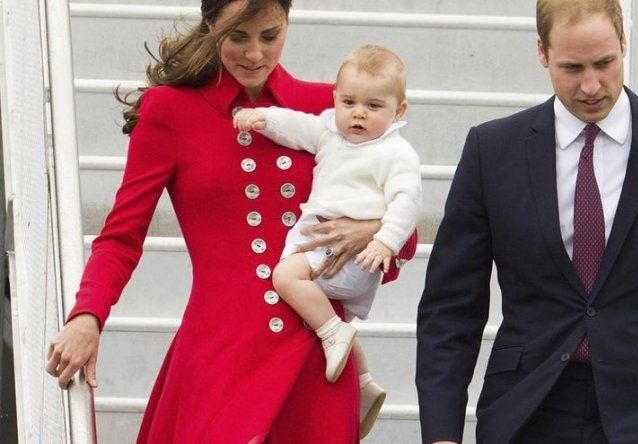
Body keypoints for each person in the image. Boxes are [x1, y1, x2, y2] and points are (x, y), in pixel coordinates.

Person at [43, 1, 416, 442]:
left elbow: (403, 232)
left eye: (269, 36)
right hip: (221, 348)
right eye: (238, 37)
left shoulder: (333, 107)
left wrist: (373, 231)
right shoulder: (168, 110)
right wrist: (88, 314)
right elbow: (122, 236)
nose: (255, 54)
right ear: (211, 26)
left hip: (315, 355)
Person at [415, 1, 638, 443]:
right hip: (526, 408)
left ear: (624, 45)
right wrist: (441, 434)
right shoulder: (492, 151)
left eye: (605, 63)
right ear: (542, 53)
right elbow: (451, 307)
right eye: (572, 67)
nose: (591, 85)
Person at [233, 44, 422, 438]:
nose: (358, 113)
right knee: (335, 314)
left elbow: (408, 202)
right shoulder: (331, 133)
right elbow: (296, 126)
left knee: (286, 278)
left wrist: (383, 241)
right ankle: (364, 381)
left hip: (351, 258)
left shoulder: (395, 152)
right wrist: (262, 118)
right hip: (329, 250)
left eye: (373, 106)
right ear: (335, 99)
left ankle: (333, 336)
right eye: (349, 101)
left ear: (398, 111)